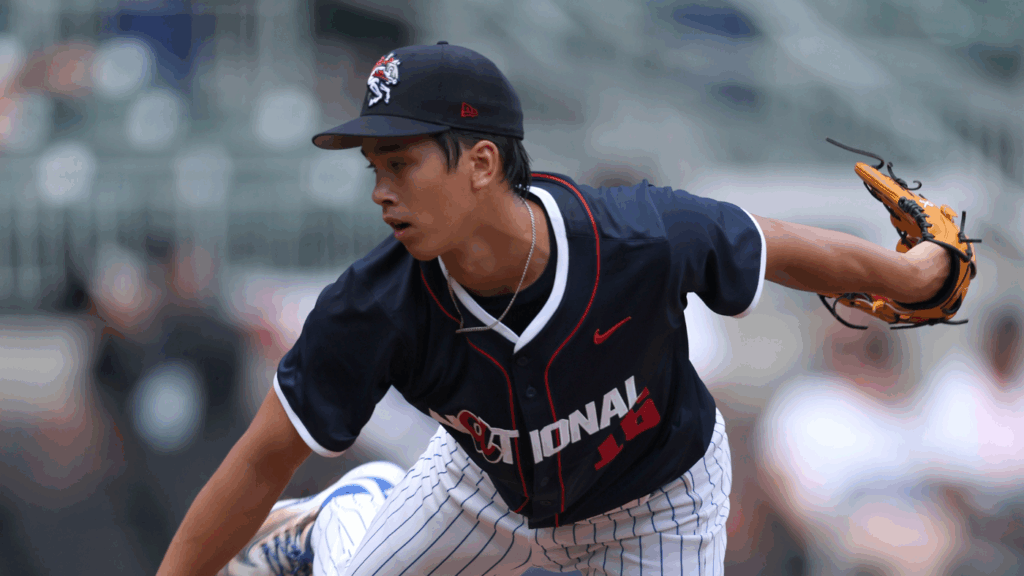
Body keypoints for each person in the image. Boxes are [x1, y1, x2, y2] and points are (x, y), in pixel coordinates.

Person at [156, 42, 953, 576]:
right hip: (482, 489)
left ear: (480, 161)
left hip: (659, 505)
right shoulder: (374, 303)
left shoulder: (633, 238)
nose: (379, 190)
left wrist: (914, 276)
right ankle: (349, 514)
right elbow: (261, 459)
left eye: (399, 162)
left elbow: (768, 243)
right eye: (373, 165)